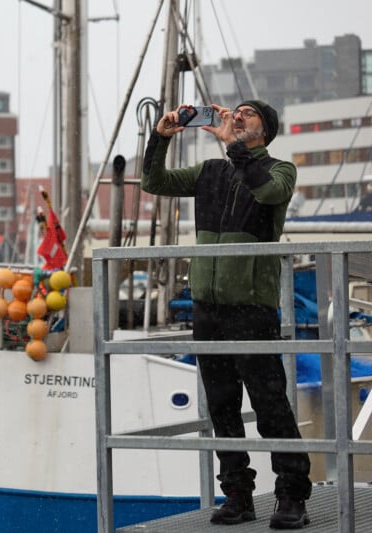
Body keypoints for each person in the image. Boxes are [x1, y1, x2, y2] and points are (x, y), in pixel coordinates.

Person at [141, 100, 312, 529]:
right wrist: (160, 138)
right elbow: (154, 181)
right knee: (221, 406)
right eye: (234, 111)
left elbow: (267, 193)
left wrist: (233, 146)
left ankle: (292, 496)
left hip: (252, 306)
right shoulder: (209, 172)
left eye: (248, 114)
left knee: (270, 403)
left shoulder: (280, 170)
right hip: (208, 307)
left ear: (266, 131)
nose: (237, 116)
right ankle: (237, 494)